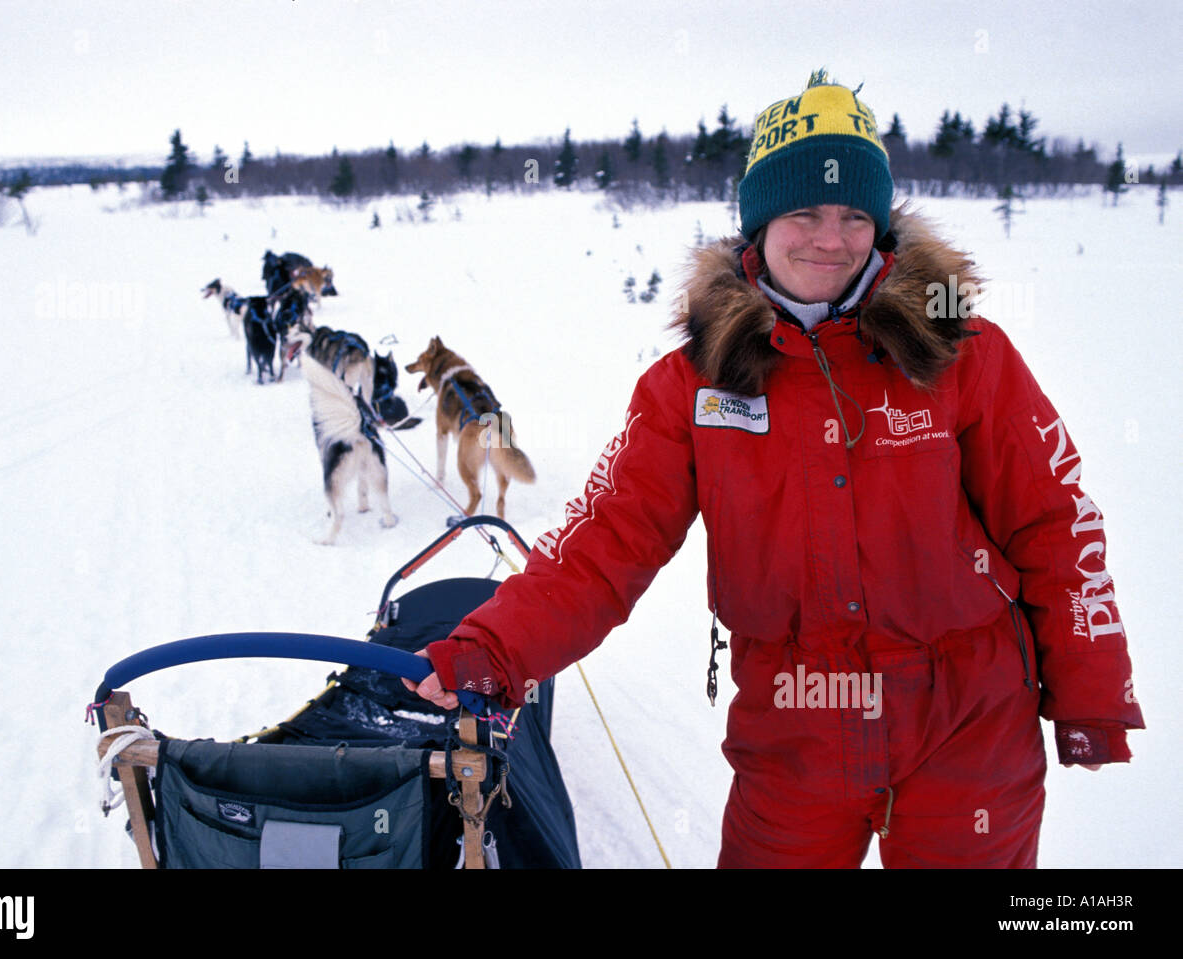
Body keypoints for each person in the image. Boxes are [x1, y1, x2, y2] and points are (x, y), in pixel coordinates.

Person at [403, 71, 1144, 868]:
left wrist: (1092, 686)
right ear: (759, 225)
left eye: (855, 214)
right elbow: (604, 543)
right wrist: (494, 646)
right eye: (804, 212)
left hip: (969, 726)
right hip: (794, 730)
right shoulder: (694, 384)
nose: (831, 238)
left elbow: (1054, 520)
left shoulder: (961, 351)